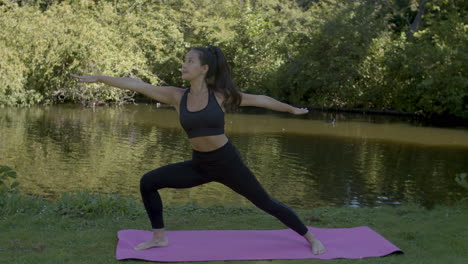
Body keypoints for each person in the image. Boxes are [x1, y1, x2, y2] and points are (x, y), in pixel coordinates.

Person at [70, 45, 326, 255]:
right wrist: (100, 78)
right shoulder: (176, 96)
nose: (184, 64)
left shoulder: (221, 96)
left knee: (265, 202)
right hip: (200, 164)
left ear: (204, 69)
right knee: (148, 182)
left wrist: (291, 109)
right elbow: (137, 85)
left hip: (227, 163)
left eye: (190, 61)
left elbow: (262, 100)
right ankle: (159, 237)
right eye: (184, 60)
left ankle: (310, 237)